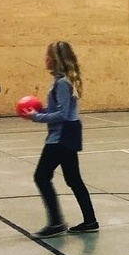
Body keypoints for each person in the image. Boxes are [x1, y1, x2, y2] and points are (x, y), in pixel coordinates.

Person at [20, 41, 99, 237]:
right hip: (68, 132)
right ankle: (90, 220)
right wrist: (41, 110)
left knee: (41, 176)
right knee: (73, 179)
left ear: (55, 59)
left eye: (48, 56)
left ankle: (56, 222)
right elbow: (59, 110)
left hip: (61, 136)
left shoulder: (62, 83)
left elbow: (62, 114)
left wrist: (36, 117)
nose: (45, 59)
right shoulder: (61, 81)